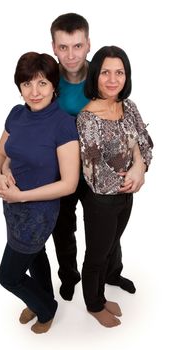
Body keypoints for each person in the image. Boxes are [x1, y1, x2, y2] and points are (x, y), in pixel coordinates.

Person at [50, 13, 146, 301]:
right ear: (53, 46)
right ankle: (69, 277)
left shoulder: (103, 73)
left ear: (88, 44)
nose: (70, 55)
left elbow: (129, 126)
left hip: (100, 177)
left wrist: (140, 163)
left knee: (108, 232)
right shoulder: (47, 80)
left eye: (77, 46)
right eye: (63, 47)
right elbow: (29, 120)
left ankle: (111, 272)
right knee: (63, 230)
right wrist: (5, 160)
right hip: (60, 173)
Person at [0, 52, 80, 334]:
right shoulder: (16, 114)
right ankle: (44, 297)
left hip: (38, 213)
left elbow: (69, 184)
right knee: (37, 255)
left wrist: (21, 196)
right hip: (13, 207)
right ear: (19, 87)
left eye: (42, 83)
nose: (34, 91)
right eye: (27, 84)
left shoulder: (62, 123)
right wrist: (0, 173)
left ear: (54, 86)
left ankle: (46, 308)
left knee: (8, 276)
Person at [76, 45, 153, 327]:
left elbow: (144, 143)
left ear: (126, 76)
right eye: (105, 72)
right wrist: (132, 177)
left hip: (126, 193)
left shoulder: (128, 106)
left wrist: (139, 168)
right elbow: (94, 171)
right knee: (96, 254)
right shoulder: (87, 118)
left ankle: (111, 278)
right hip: (101, 199)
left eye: (119, 72)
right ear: (95, 76)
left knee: (113, 244)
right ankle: (94, 303)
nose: (112, 79)